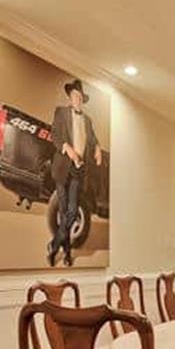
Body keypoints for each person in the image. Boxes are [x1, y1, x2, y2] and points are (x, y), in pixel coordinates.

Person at [48, 79, 102, 267]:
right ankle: (67, 252)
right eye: (74, 96)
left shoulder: (87, 120)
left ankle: (54, 244)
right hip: (63, 168)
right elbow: (55, 134)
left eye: (79, 97)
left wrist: (97, 148)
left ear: (82, 100)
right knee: (64, 211)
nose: (77, 99)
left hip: (79, 169)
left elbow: (92, 139)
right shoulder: (61, 112)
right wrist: (67, 148)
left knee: (71, 211)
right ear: (70, 98)